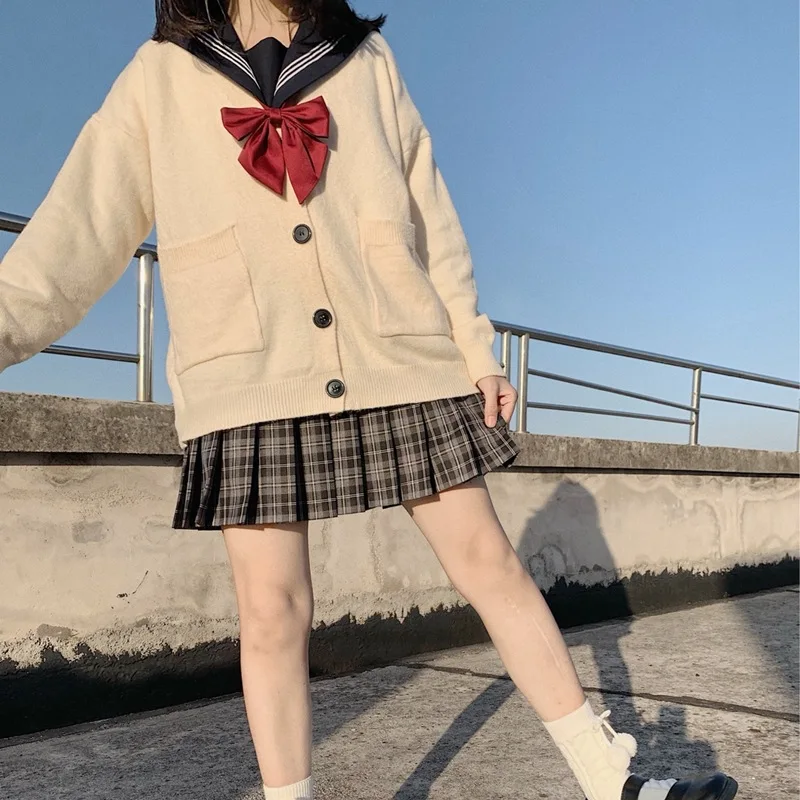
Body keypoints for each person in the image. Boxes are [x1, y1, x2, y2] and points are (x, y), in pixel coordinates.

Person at [0, 2, 738, 799]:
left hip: (399, 353)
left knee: (491, 563)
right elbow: (75, 232)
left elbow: (429, 211)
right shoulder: (160, 74)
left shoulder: (366, 58)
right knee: (272, 613)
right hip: (244, 373)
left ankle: (610, 780)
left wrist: (474, 348)